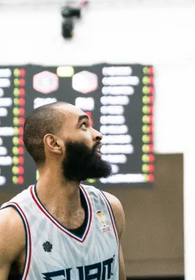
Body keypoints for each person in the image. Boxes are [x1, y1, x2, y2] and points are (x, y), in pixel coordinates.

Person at [0, 102, 127, 280]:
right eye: (84, 125)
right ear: (54, 143)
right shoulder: (10, 225)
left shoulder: (110, 208)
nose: (98, 135)